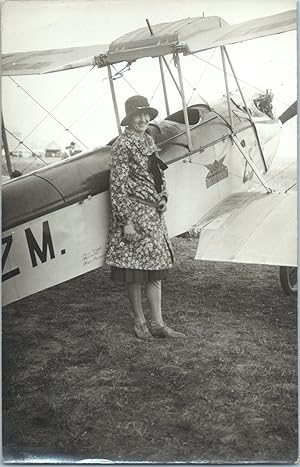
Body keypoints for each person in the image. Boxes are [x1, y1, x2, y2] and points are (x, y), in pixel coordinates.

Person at [105, 95, 185, 340]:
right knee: (135, 273)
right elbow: (117, 185)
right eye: (137, 115)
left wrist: (163, 197)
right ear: (129, 118)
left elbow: (157, 173)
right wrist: (125, 222)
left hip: (153, 215)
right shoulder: (123, 144)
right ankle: (140, 323)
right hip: (135, 214)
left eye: (146, 114)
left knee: (155, 270)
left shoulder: (148, 139)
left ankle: (158, 324)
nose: (143, 119)